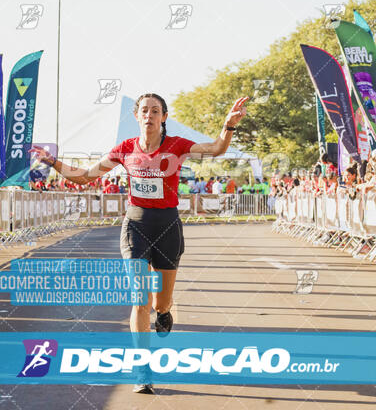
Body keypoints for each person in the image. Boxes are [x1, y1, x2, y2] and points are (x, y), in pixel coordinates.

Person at [31, 92, 249, 394]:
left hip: (168, 225)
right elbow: (84, 177)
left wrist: (228, 126)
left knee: (161, 301)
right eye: (144, 110)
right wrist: (52, 161)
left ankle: (164, 312)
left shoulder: (178, 145)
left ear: (163, 117)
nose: (149, 114)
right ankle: (142, 368)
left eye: (155, 110)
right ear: (137, 116)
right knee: (139, 299)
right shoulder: (125, 149)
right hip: (136, 224)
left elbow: (215, 149)